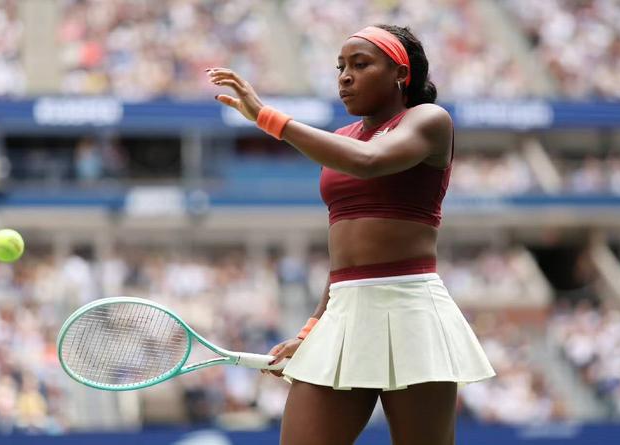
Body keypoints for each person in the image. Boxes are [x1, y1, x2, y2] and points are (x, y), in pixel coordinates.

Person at [207, 24, 495, 445]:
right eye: (340, 67)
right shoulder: (342, 139)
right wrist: (311, 327)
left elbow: (369, 161)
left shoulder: (430, 120)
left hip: (411, 310)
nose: (344, 77)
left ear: (400, 74)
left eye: (360, 65)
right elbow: (346, 256)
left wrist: (268, 118)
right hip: (343, 312)